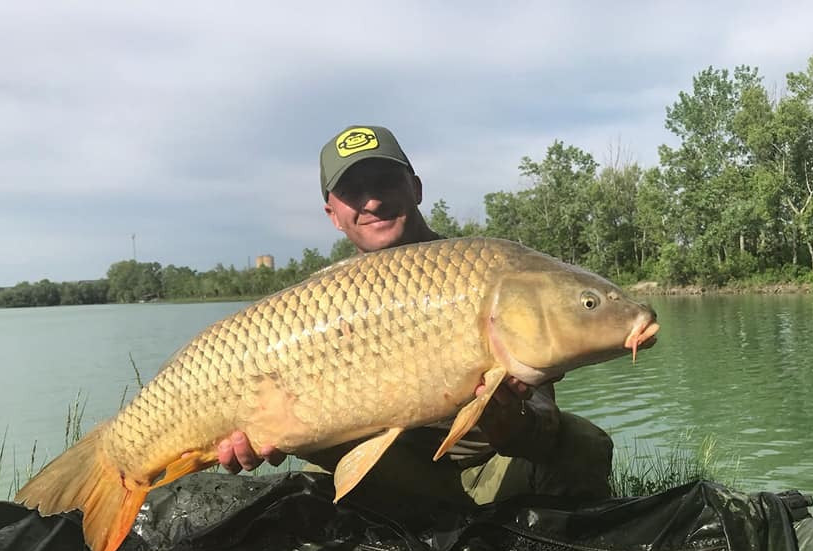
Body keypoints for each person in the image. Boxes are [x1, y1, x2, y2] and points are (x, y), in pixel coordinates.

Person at [216, 125, 615, 505]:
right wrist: (261, 437)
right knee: (315, 481)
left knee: (582, 443)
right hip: (386, 473)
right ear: (332, 215)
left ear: (416, 188)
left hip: (486, 470)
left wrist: (515, 426)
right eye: (354, 191)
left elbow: (543, 415)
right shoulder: (314, 308)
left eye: (385, 182)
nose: (372, 201)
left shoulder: (484, 275)